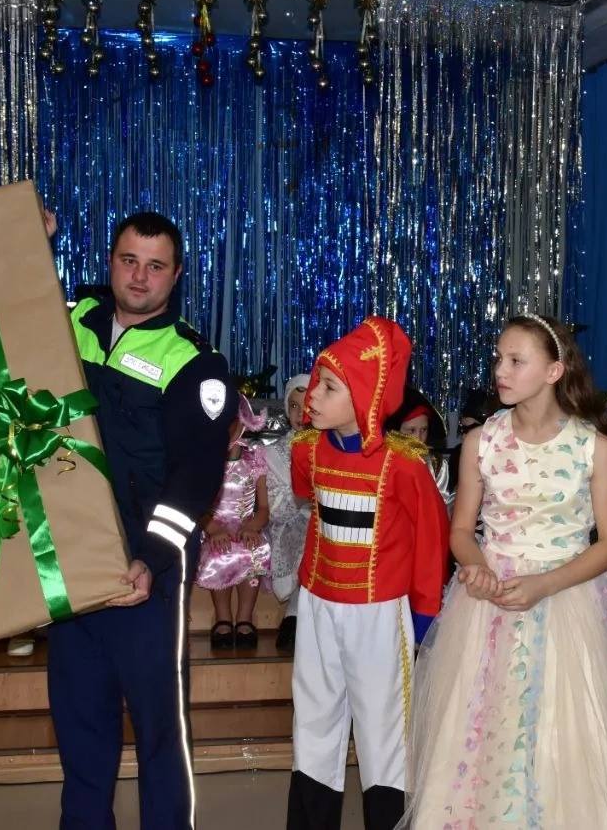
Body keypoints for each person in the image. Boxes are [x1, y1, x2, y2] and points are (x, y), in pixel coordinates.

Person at [396, 314, 607, 828]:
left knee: (560, 732)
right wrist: (477, 568)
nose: (501, 371)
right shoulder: (482, 442)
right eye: (499, 359)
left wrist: (545, 584)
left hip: (565, 604)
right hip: (491, 604)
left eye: (516, 361)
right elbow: (461, 531)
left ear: (554, 371)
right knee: (482, 728)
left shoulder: (594, 447)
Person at [51, 211, 235, 830]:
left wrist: (151, 558)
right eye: (129, 260)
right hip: (73, 547)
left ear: (175, 276)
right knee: (79, 718)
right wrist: (31, 244)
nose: (139, 276)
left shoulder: (195, 363)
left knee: (159, 727)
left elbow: (196, 481)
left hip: (148, 559)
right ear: (110, 260)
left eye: (155, 267)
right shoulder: (73, 320)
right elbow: (7, 314)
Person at [286, 317, 450, 830]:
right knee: (313, 721)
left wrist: (423, 614)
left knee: (384, 732)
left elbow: (431, 542)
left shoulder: (405, 466)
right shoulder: (306, 450)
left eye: (329, 387)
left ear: (365, 396)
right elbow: (310, 503)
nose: (312, 395)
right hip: (318, 606)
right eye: (317, 381)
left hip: (379, 614)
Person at [197, 394, 270, 649]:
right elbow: (198, 505)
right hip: (215, 528)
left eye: (230, 421)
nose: (224, 429)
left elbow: (263, 508)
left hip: (245, 525)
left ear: (243, 422)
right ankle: (223, 616)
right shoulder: (205, 461)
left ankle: (245, 617)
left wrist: (253, 526)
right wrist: (212, 528)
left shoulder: (255, 459)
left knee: (256, 549)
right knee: (220, 553)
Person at [265, 373, 312, 652]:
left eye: (306, 406)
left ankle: (299, 617)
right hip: (289, 524)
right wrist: (306, 503)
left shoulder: (330, 448)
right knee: (308, 536)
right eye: (293, 406)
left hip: (324, 521)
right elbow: (275, 506)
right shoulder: (276, 454)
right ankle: (294, 617)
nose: (299, 413)